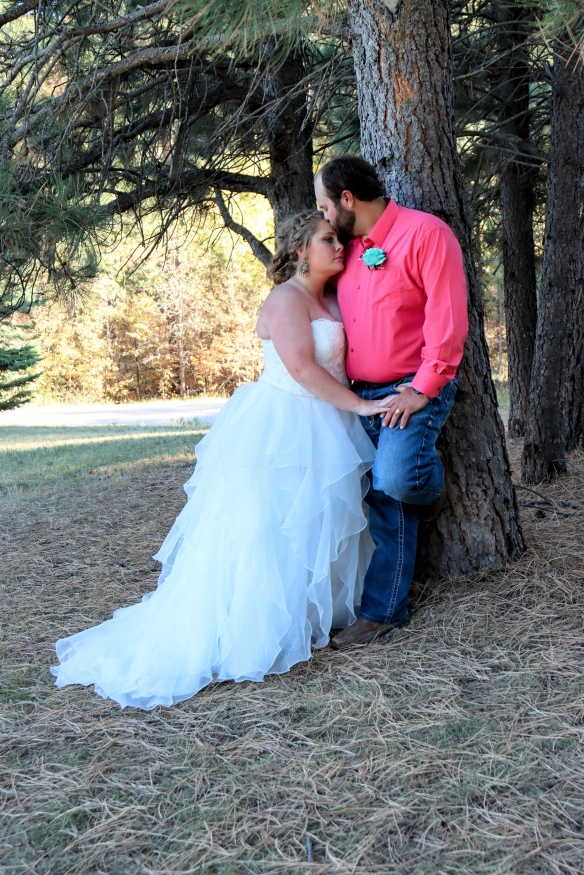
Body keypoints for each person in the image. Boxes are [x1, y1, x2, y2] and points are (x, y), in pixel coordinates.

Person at [51, 212, 391, 710]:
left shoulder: (334, 297)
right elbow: (299, 367)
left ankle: (314, 611)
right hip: (284, 425)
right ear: (300, 250)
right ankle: (256, 627)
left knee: (316, 519)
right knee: (267, 525)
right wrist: (361, 405)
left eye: (340, 239)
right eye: (327, 240)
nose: (339, 247)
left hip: (326, 425)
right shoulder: (285, 299)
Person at [314, 155, 468, 650]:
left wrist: (422, 390)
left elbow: (448, 318)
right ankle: (383, 613)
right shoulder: (347, 250)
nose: (321, 217)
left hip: (411, 388)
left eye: (323, 205)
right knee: (383, 499)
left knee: (398, 480)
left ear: (346, 199)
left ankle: (426, 472)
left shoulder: (426, 233)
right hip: (361, 396)